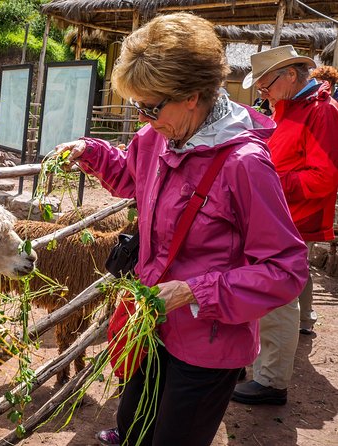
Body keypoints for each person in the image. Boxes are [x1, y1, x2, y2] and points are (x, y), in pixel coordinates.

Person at [54, 13, 309, 446]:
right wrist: (92, 152)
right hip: (152, 321)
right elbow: (133, 177)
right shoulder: (158, 136)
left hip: (208, 342)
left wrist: (194, 291)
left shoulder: (244, 164)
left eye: (150, 107)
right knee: (134, 421)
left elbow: (285, 270)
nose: (144, 118)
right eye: (138, 106)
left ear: (193, 96)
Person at [232, 46, 338, 406]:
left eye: (265, 83)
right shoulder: (291, 107)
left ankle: (270, 380)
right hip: (283, 214)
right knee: (292, 282)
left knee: (275, 296)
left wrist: (270, 180)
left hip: (290, 217)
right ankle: (282, 353)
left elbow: (324, 178)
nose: (261, 90)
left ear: (290, 76)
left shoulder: (321, 113)